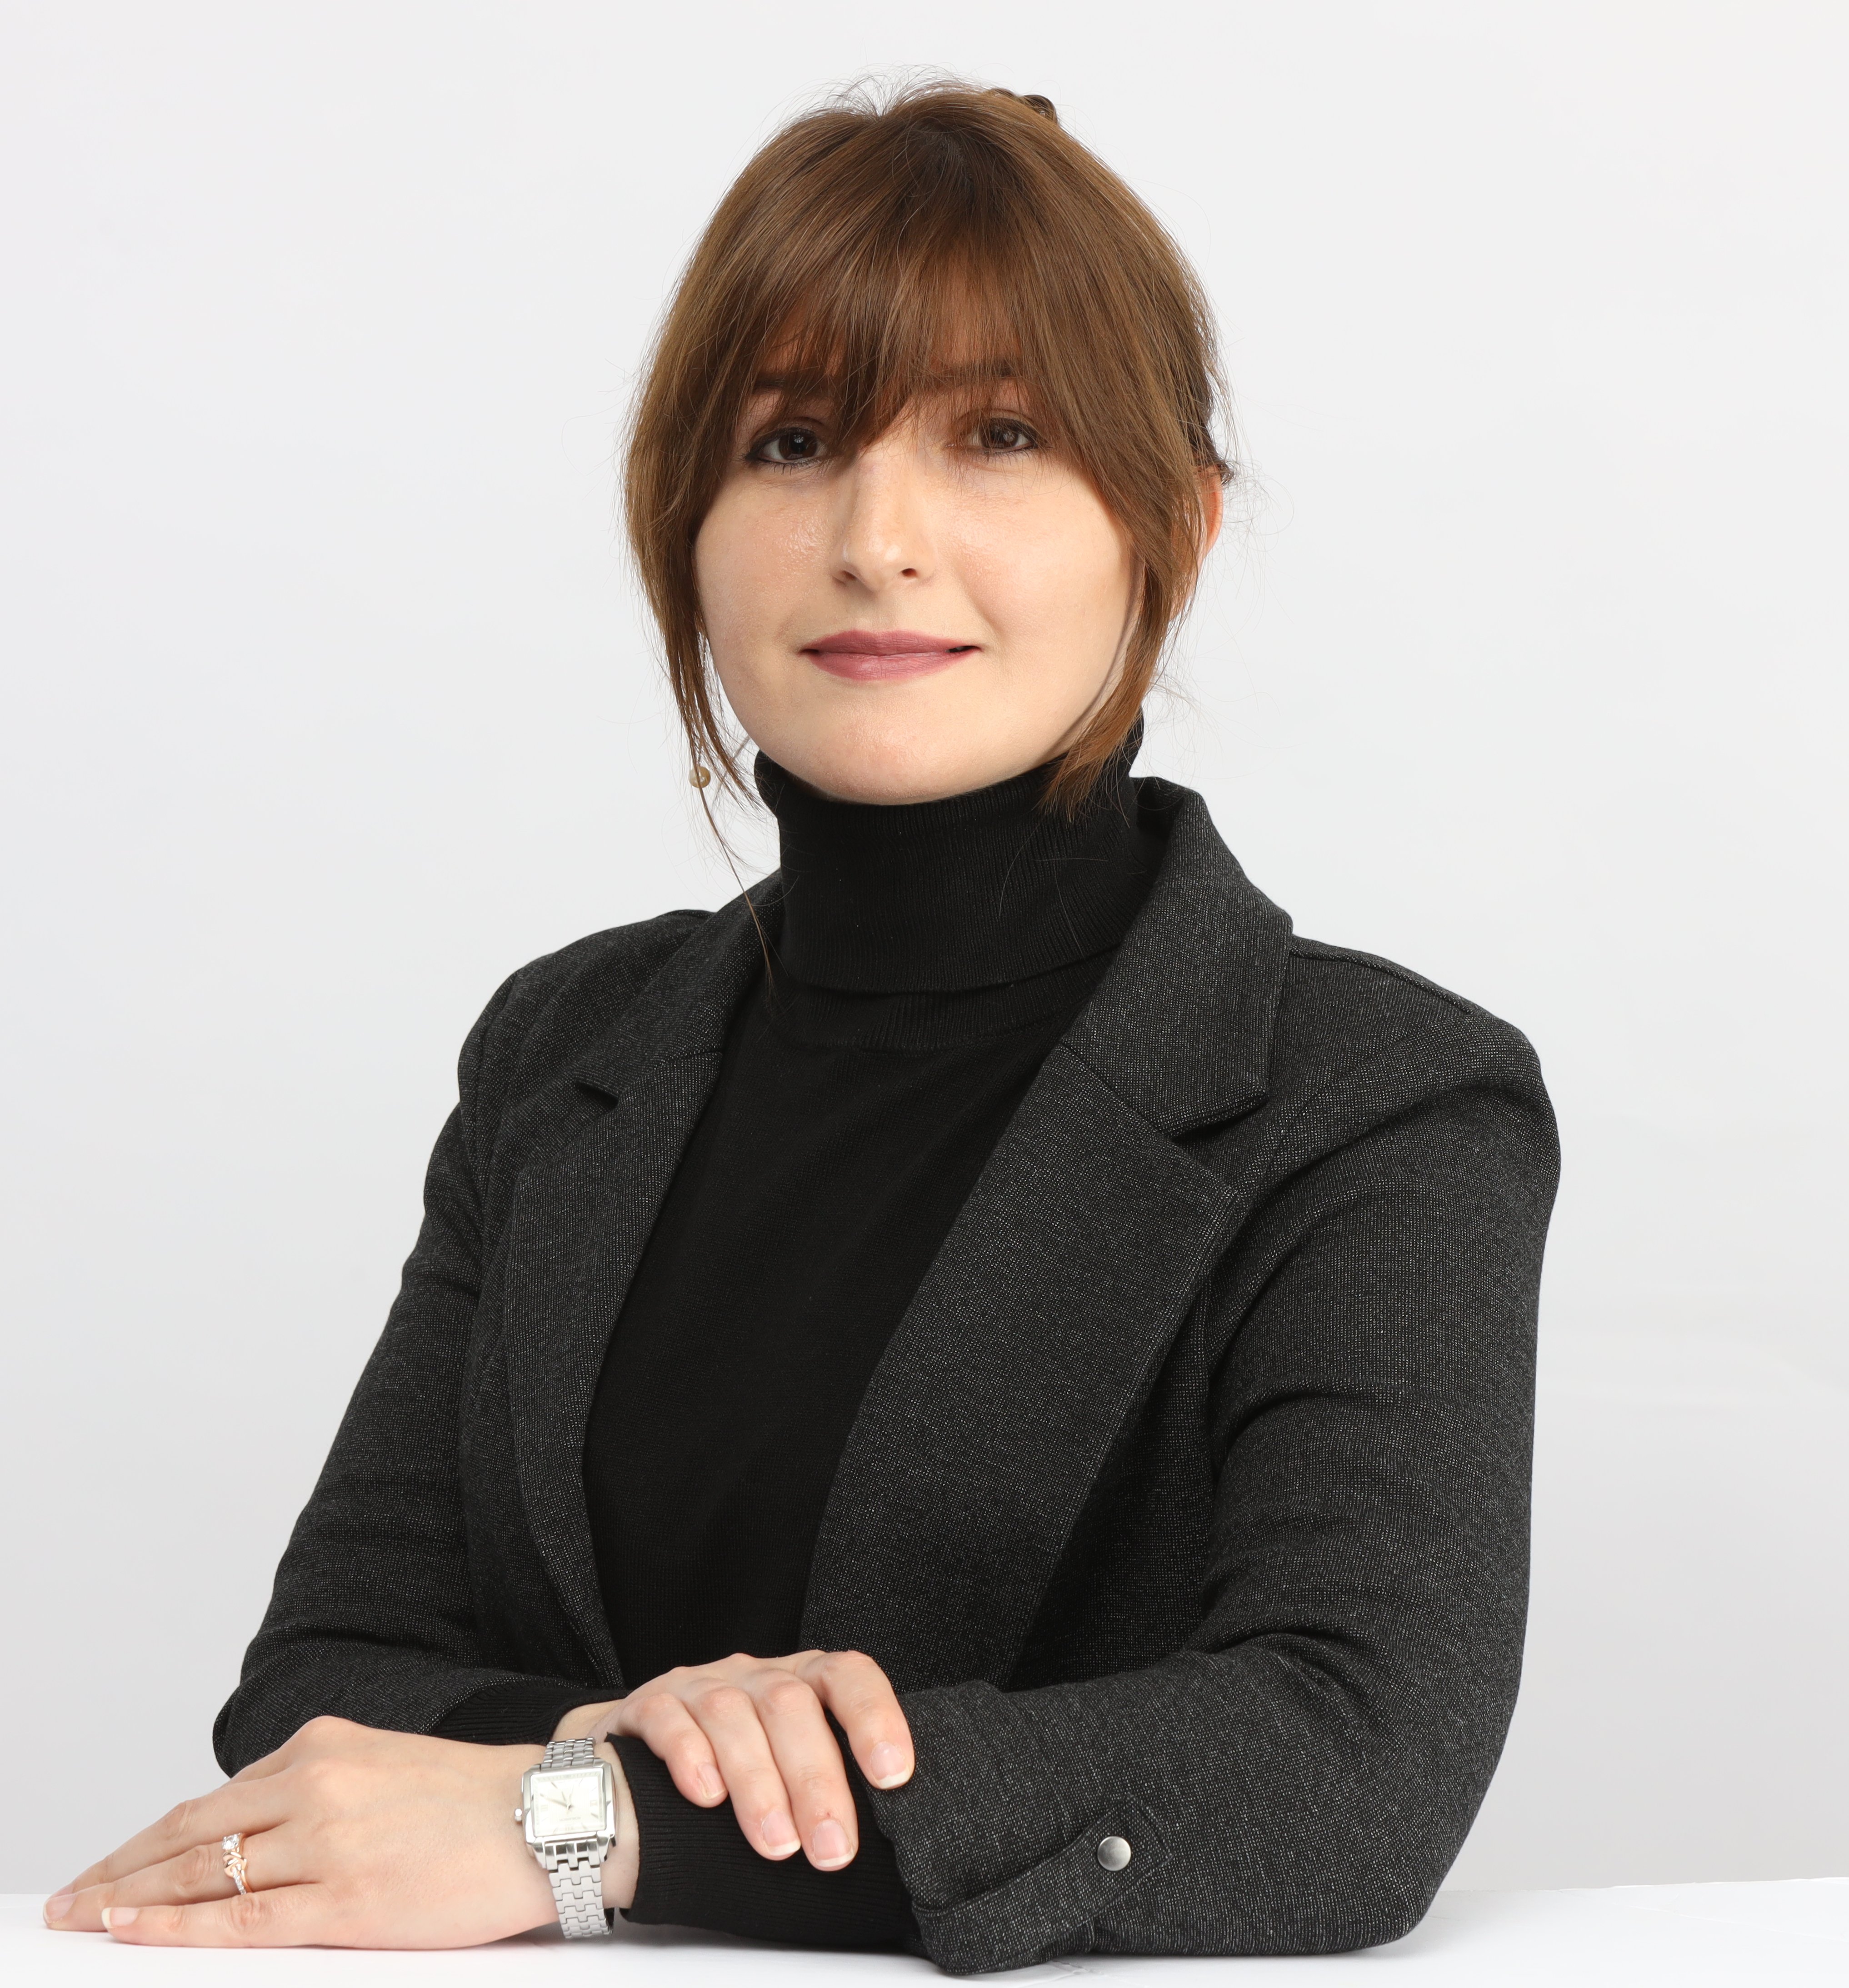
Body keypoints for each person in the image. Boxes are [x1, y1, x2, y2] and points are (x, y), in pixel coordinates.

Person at [44, 81, 1559, 1970]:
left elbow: (1345, 1770)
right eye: (791, 441)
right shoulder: (563, 1048)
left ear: (1174, 523)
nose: (876, 537)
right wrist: (625, 1752)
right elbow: (323, 1688)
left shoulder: (1378, 1097)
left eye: (999, 435)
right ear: (683, 521)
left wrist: (586, 1817)